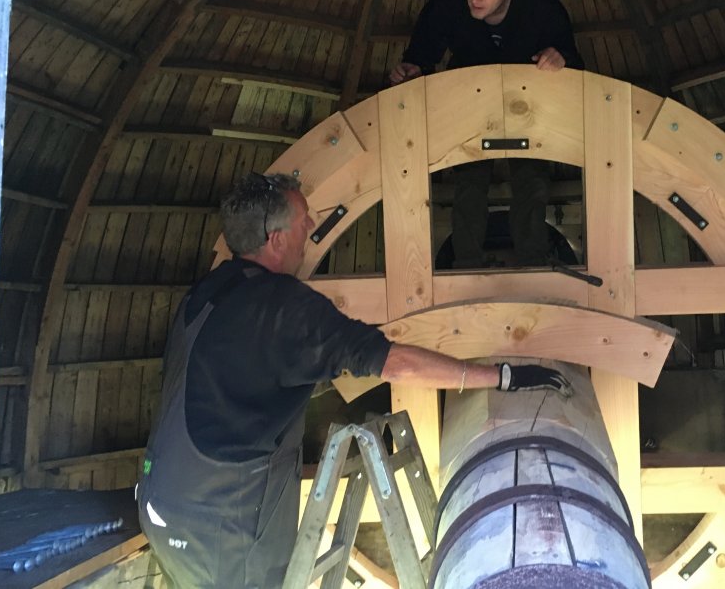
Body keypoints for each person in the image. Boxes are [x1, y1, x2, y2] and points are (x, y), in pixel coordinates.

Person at [137, 172, 572, 588]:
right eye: (303, 219)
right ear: (276, 239)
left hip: (163, 500)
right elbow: (395, 364)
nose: (311, 226)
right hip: (224, 528)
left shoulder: (207, 291)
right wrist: (502, 377)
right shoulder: (285, 307)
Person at [389, 0, 584, 268]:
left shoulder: (541, 7)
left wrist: (560, 58)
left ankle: (534, 265)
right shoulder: (448, 2)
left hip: (529, 106)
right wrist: (410, 71)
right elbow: (420, 57)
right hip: (469, 104)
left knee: (532, 182)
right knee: (469, 183)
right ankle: (465, 267)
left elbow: (575, 66)